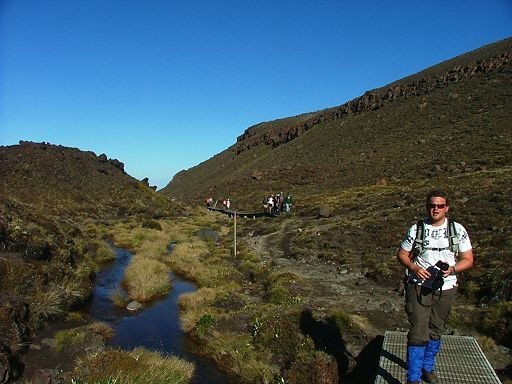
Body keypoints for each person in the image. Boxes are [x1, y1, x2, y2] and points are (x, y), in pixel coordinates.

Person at [396, 190, 473, 384]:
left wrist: (453, 269)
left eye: (439, 205)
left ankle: (427, 368)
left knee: (436, 328)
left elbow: (468, 259)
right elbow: (402, 254)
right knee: (417, 331)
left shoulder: (457, 230)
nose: (435, 209)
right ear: (426, 207)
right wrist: (413, 267)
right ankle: (413, 378)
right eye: (432, 205)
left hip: (446, 287)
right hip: (419, 286)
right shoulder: (416, 229)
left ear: (447, 208)